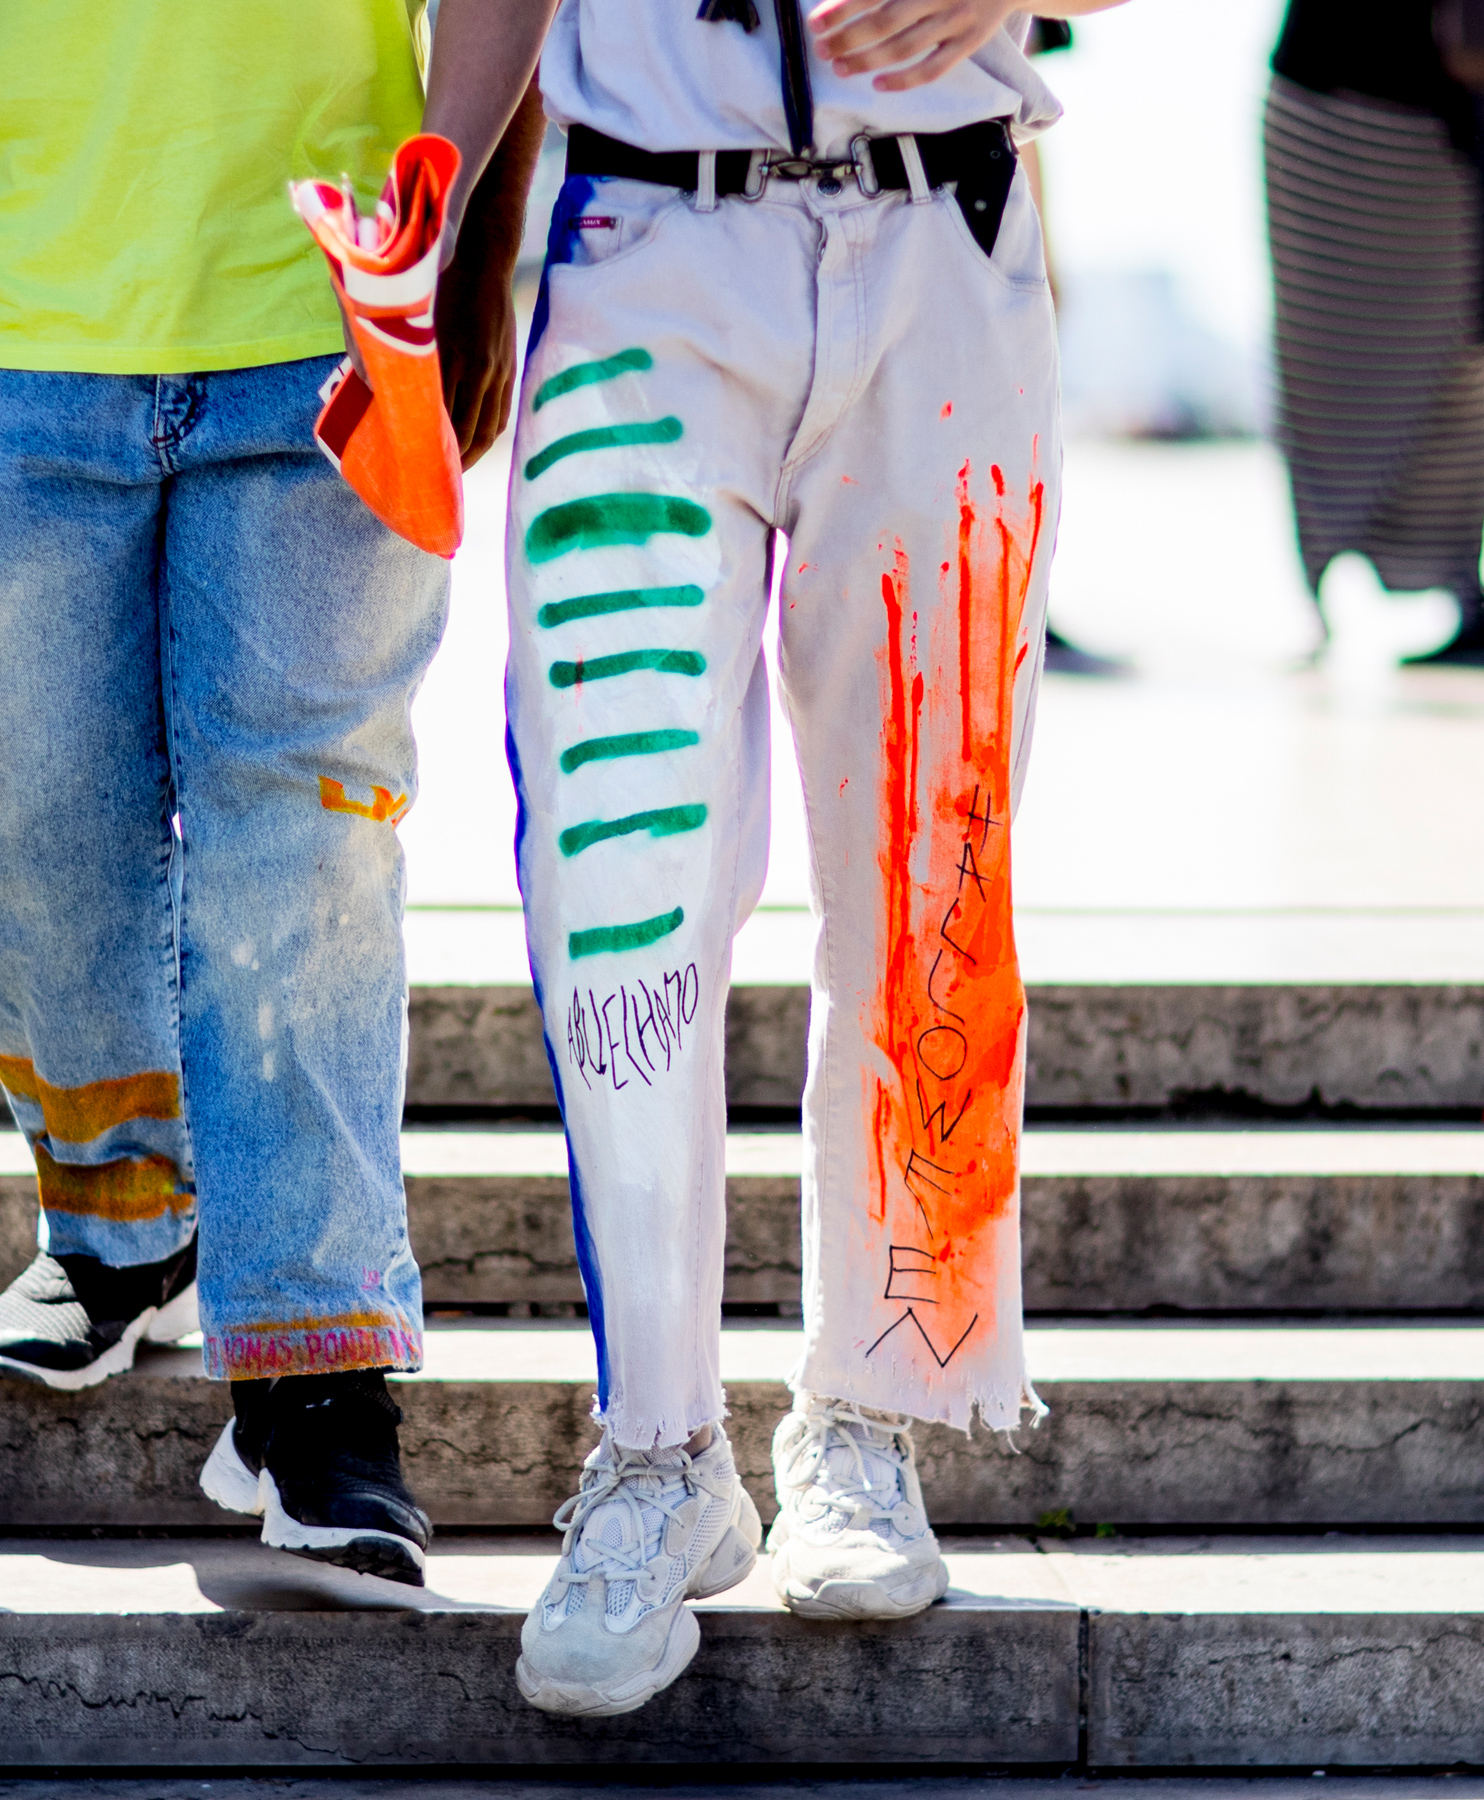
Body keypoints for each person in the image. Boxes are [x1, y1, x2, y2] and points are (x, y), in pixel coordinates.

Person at [424, 0, 1117, 1715]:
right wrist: (443, 212)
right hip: (640, 249)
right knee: (617, 881)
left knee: (926, 866)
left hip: (946, 238)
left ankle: (869, 1413)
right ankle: (657, 1454)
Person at [0, 0, 537, 1584]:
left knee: (309, 840)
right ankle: (121, 1223)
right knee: (26, 815)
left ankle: (320, 1369)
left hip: (331, 296)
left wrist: (473, 242)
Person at [1267, 0, 1484, 667]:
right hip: (1339, 101)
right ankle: (1318, 594)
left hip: (1450, 120)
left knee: (1465, 371)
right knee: (1325, 374)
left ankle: (1462, 589)